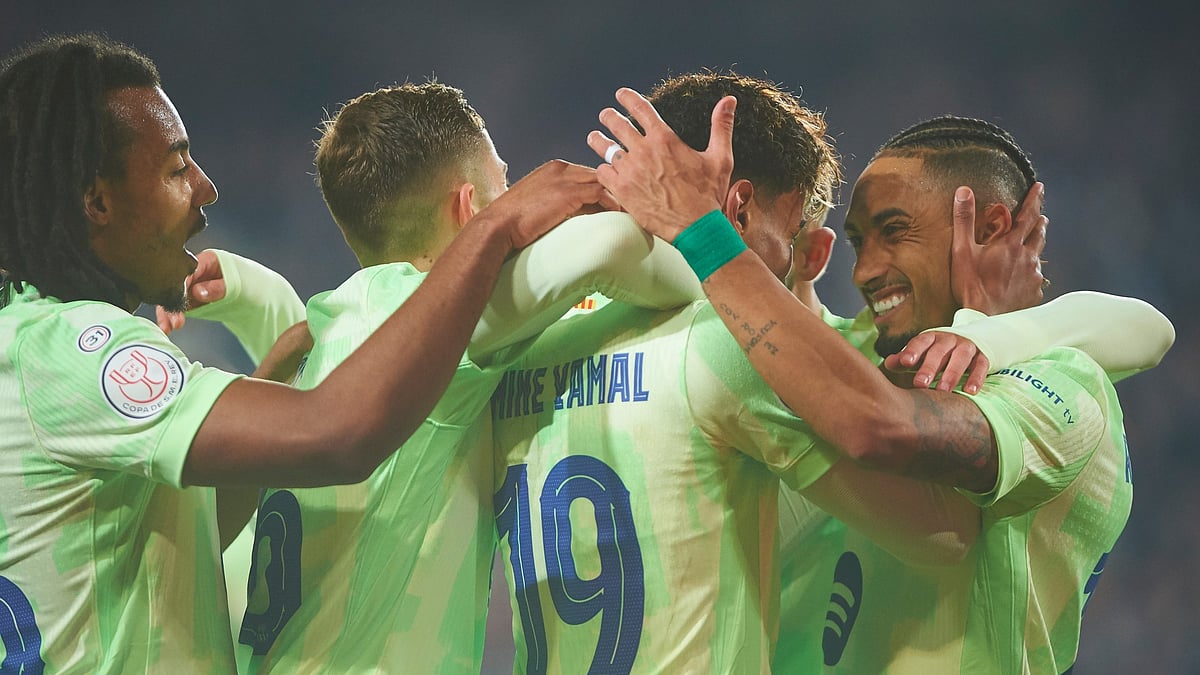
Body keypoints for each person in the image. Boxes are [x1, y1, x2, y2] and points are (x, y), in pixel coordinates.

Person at [0, 33, 618, 672]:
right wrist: (494, 229)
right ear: (97, 201)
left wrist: (271, 367)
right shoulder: (70, 350)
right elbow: (337, 435)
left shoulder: (25, 340)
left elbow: (198, 522)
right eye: (177, 169)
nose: (206, 189)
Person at [488, 72, 1118, 674]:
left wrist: (1002, 331)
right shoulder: (736, 358)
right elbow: (942, 527)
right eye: (857, 242)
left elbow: (1142, 326)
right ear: (736, 209)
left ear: (991, 229)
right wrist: (704, 235)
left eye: (893, 233)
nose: (862, 271)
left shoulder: (1065, 382)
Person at [225, 82, 709, 674]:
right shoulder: (427, 323)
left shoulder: (329, 325)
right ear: (470, 209)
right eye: (505, 186)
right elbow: (609, 244)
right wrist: (719, 263)